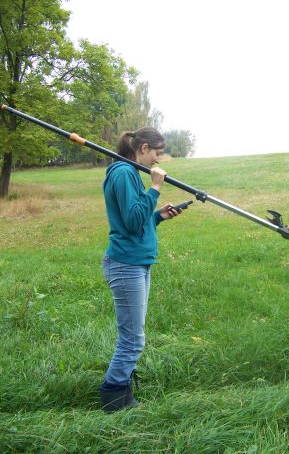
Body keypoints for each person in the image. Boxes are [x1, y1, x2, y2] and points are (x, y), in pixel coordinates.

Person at [99, 126, 181, 413]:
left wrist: (158, 216)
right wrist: (155, 188)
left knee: (133, 336)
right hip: (126, 265)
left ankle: (120, 385)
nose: (158, 161)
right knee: (133, 339)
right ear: (143, 148)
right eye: (157, 154)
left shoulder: (129, 173)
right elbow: (132, 221)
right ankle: (114, 394)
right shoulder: (123, 173)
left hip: (136, 263)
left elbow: (136, 220)